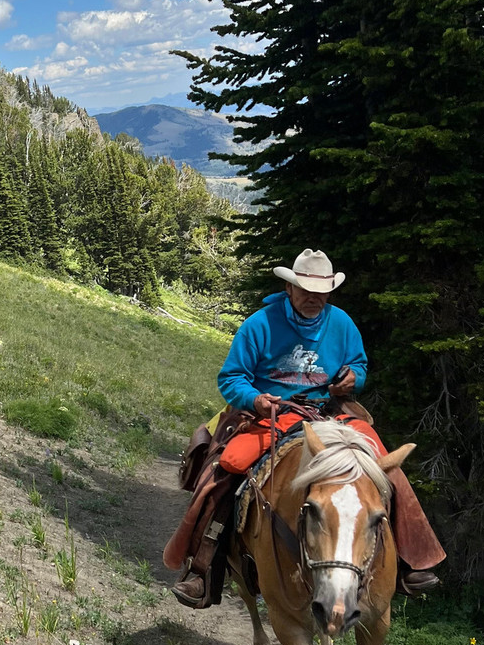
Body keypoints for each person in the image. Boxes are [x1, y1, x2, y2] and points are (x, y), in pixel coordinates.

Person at [169, 249, 445, 607]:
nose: (313, 298)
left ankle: (411, 558)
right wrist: (254, 400)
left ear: (330, 291)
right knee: (230, 465)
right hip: (270, 412)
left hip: (326, 412)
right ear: (289, 287)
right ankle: (203, 566)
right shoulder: (260, 324)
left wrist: (351, 380)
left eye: (321, 291)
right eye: (306, 290)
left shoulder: (342, 323)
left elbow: (358, 365)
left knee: (380, 461)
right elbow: (231, 377)